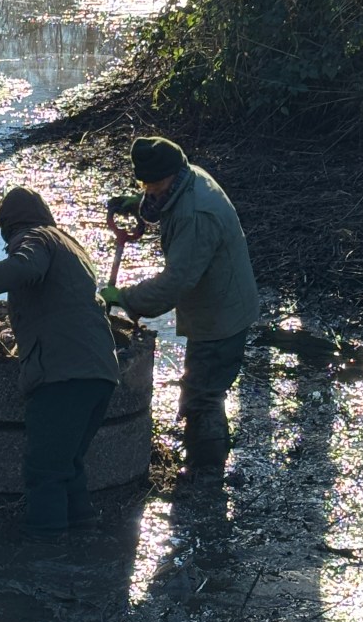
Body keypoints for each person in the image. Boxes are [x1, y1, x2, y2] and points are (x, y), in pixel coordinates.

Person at [0, 186, 120, 539]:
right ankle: (84, 537)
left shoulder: (35, 239)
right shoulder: (70, 246)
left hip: (63, 376)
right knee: (68, 464)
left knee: (44, 471)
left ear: (10, 229)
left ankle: (45, 554)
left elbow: (24, 266)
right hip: (101, 372)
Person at [100, 136, 259, 480]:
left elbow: (173, 285)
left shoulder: (197, 214)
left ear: (173, 174)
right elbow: (162, 203)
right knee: (200, 384)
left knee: (204, 394)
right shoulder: (185, 178)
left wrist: (124, 298)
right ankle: (202, 455)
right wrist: (137, 203)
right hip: (213, 305)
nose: (150, 191)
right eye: (144, 185)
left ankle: (206, 472)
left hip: (222, 315)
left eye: (155, 185)